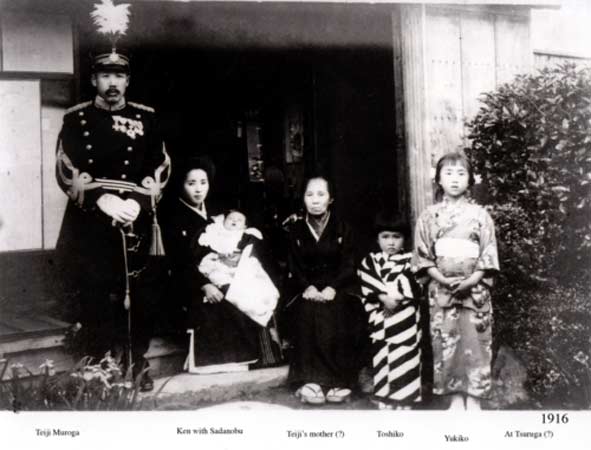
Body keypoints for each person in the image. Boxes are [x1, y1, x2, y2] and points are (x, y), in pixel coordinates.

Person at [55, 51, 170, 391]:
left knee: (139, 293)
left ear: (128, 81)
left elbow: (160, 167)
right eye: (105, 76)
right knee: (94, 292)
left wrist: (137, 202)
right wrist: (99, 198)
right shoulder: (76, 119)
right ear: (94, 80)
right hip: (90, 218)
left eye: (119, 77)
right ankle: (97, 364)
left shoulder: (146, 119)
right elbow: (64, 167)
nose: (113, 83)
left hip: (134, 219)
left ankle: (136, 362)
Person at [160, 160, 281, 374]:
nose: (198, 189)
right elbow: (179, 262)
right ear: (181, 185)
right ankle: (228, 360)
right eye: (191, 183)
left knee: (256, 289)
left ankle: (264, 355)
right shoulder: (174, 218)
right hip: (194, 280)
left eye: (203, 182)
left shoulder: (218, 213)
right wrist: (204, 284)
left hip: (227, 272)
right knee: (228, 296)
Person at [413, 152, 499, 410]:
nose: (454, 179)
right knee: (445, 343)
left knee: (477, 343)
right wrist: (443, 279)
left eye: (461, 173)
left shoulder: (481, 215)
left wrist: (471, 281)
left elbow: (488, 253)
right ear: (438, 179)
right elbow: (423, 256)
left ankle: (474, 399)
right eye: (448, 173)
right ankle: (454, 399)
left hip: (475, 291)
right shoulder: (429, 216)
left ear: (470, 179)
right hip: (442, 290)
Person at [285, 175, 362, 405]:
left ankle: (339, 380)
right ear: (303, 198)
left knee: (338, 309)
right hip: (306, 287)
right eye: (309, 195)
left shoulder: (342, 227)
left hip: (337, 286)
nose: (315, 200)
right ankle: (310, 380)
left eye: (321, 195)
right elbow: (292, 265)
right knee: (307, 310)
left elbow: (349, 264)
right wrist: (306, 286)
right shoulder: (295, 229)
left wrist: (332, 287)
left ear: (331, 199)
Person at [357, 211, 422, 410]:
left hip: (406, 318)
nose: (391, 242)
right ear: (377, 239)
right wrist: (384, 297)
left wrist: (398, 297)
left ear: (404, 239)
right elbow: (366, 280)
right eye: (385, 237)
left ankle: (405, 399)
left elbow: (416, 282)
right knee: (383, 355)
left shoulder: (411, 260)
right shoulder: (371, 260)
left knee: (405, 356)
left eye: (396, 237)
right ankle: (385, 397)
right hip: (382, 317)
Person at [197, 210, 279, 328]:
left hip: (241, 270)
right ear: (223, 221)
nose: (234, 221)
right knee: (231, 290)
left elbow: (252, 256)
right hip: (220, 269)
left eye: (239, 220)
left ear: (245, 226)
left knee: (259, 289)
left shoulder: (247, 236)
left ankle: (260, 319)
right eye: (230, 218)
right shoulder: (214, 233)